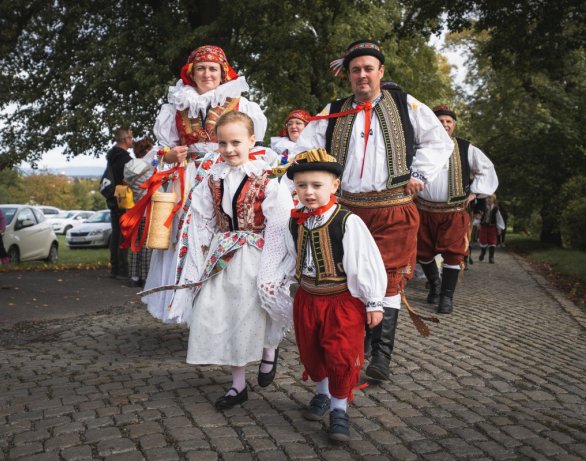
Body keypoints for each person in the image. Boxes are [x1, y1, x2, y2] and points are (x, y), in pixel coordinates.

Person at [295, 39, 454, 381]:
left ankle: (381, 356)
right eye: (355, 70)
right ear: (348, 76)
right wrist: (316, 187)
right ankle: (361, 340)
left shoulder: (406, 104)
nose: (362, 75)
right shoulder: (333, 110)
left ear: (381, 71)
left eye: (369, 69)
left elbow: (439, 141)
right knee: (350, 279)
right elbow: (304, 150)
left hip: (394, 208)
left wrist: (419, 174)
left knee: (389, 280)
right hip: (346, 211)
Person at [144, 111, 293, 409]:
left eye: (236, 142)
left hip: (256, 252)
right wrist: (197, 261)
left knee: (258, 309)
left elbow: (279, 224)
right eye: (223, 143)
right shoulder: (212, 178)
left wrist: (274, 266)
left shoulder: (267, 178)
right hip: (222, 254)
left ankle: (268, 348)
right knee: (224, 313)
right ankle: (238, 385)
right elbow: (201, 220)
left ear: (252, 140)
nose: (229, 150)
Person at [133, 45, 267, 323]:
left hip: (227, 177)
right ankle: (191, 311)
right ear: (191, 73)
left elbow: (255, 148)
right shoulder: (176, 106)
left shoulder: (241, 105)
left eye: (213, 68)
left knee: (223, 236)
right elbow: (160, 150)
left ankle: (226, 310)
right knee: (191, 240)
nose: (207, 74)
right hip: (190, 180)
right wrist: (168, 156)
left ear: (223, 73)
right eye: (201, 68)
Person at [281, 148, 386, 442]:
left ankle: (339, 409)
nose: (309, 192)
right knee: (311, 351)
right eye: (302, 186)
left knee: (340, 355)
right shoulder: (295, 221)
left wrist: (374, 301)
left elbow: (365, 261)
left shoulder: (346, 221)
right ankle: (322, 394)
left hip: (341, 301)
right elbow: (291, 257)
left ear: (334, 185)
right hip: (307, 298)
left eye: (317, 185)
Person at [416, 105, 498, 313]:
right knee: (422, 253)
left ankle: (446, 296)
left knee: (453, 254)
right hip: (423, 210)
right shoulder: (420, 146)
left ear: (454, 125)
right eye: (440, 121)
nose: (444, 125)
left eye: (448, 122)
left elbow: (486, 169)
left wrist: (475, 192)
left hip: (453, 212)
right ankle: (434, 284)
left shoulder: (465, 148)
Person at [124, 137, 155, 287]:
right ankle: (145, 276)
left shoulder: (128, 165)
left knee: (134, 245)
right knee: (147, 246)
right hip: (148, 211)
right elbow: (156, 188)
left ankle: (133, 276)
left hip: (133, 210)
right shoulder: (149, 166)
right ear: (148, 150)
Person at [106, 127, 133, 280]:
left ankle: (115, 267)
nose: (132, 141)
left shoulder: (111, 156)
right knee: (123, 235)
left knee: (116, 233)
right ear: (125, 140)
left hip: (112, 198)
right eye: (131, 138)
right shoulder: (125, 159)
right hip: (123, 198)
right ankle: (122, 269)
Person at [478, 195, 505, 263]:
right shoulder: (483, 207)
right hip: (483, 226)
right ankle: (483, 254)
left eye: (490, 198)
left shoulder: (496, 208)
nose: (488, 199)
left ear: (493, 199)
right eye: (487, 198)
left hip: (492, 227)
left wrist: (499, 228)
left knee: (492, 241)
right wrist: (477, 223)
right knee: (483, 241)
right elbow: (478, 216)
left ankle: (491, 257)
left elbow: (499, 218)